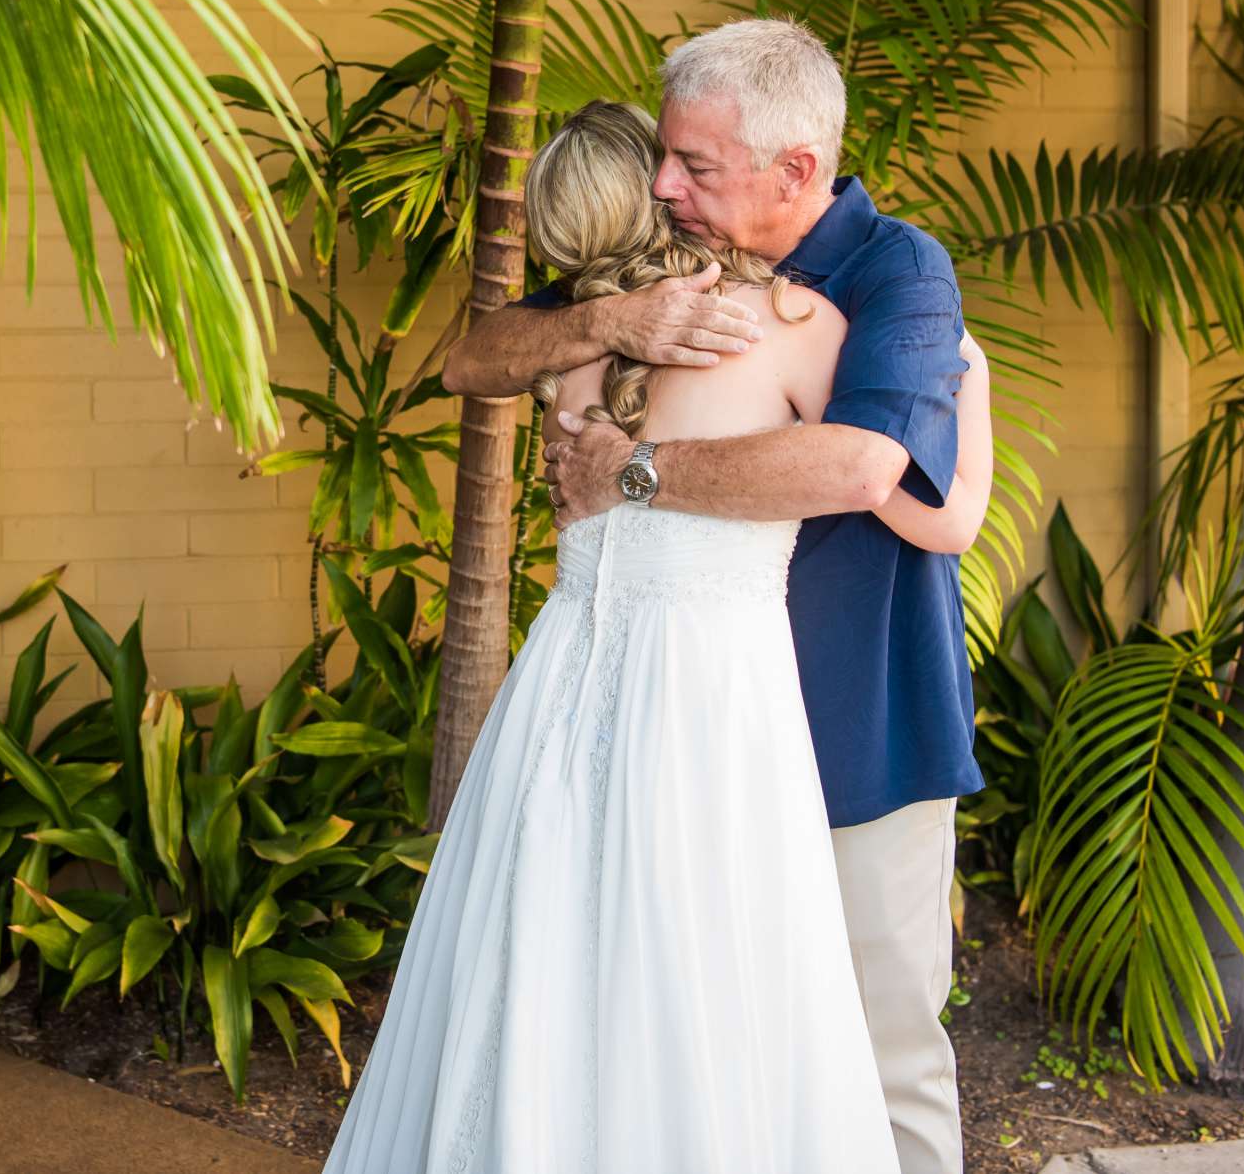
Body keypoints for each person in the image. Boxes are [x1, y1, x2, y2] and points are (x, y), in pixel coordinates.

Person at [318, 91, 986, 1173]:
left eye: (697, 167)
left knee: (558, 982)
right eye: (669, 167)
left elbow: (490, 369)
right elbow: (931, 505)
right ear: (655, 197)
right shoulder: (774, 326)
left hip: (582, 700)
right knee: (729, 997)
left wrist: (632, 458)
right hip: (720, 703)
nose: (680, 184)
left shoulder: (871, 275)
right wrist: (973, 391)